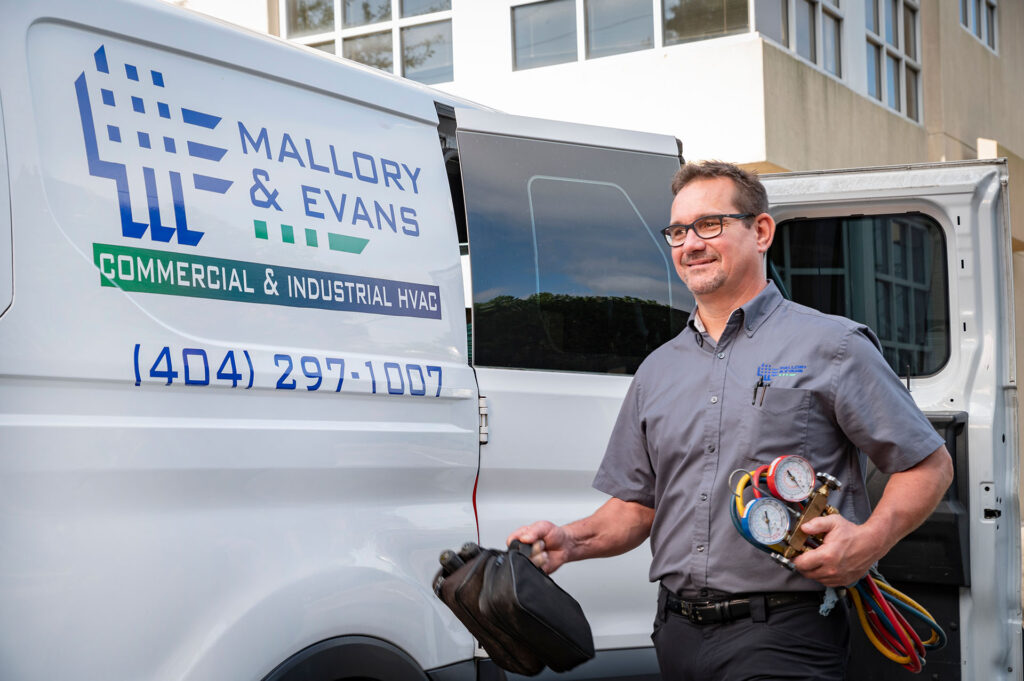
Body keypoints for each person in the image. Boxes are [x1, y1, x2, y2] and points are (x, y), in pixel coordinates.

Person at [507, 160, 954, 680]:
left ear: (760, 231)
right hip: (676, 633)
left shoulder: (832, 346)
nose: (690, 243)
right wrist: (570, 541)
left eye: (709, 224)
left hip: (786, 634)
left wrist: (871, 539)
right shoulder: (658, 370)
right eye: (677, 231)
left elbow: (928, 465)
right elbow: (636, 506)